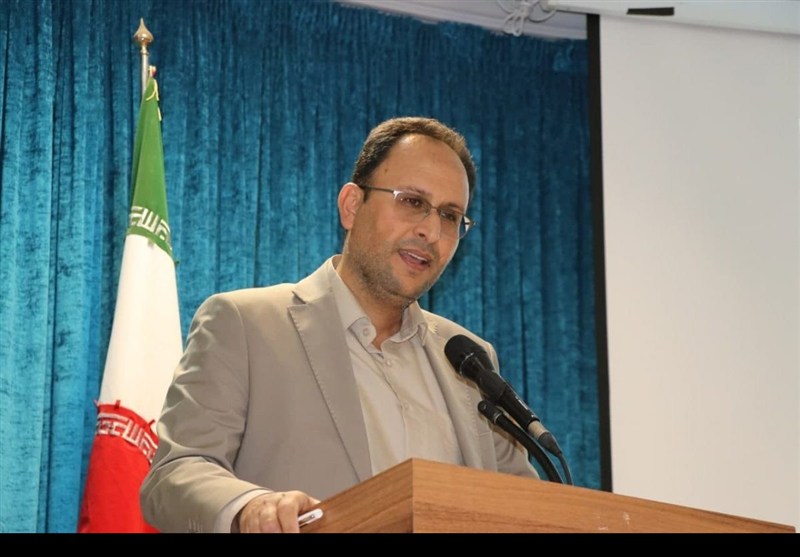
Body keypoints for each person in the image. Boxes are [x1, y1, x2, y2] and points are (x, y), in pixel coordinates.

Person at [139, 116, 539, 533]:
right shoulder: (244, 324)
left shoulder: (469, 359)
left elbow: (525, 508)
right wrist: (250, 506)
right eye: (412, 201)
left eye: (451, 215)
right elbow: (174, 474)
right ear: (351, 205)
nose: (431, 231)